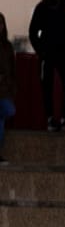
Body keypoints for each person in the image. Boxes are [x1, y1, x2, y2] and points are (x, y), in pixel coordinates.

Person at [29, 0, 65, 132]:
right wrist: (40, 51)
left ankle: (64, 118)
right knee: (46, 87)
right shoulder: (42, 7)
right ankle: (50, 118)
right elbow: (33, 32)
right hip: (48, 54)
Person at [0, 12, 16, 165]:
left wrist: (12, 89)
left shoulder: (7, 46)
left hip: (4, 90)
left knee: (8, 111)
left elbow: (12, 69)